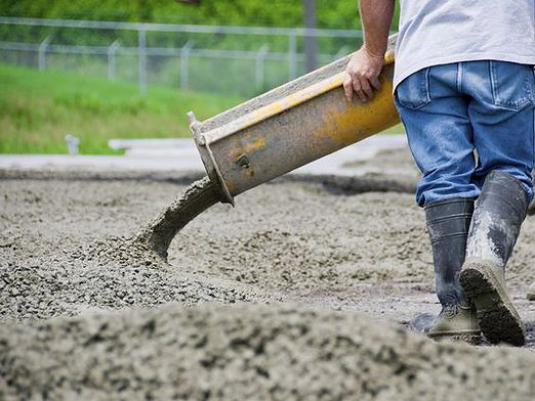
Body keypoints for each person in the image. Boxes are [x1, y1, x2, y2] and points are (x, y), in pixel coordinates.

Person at [344, 0, 535, 345]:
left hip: (426, 56)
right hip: (503, 48)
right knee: (508, 167)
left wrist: (372, 52)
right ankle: (485, 256)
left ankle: (456, 312)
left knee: (445, 178)